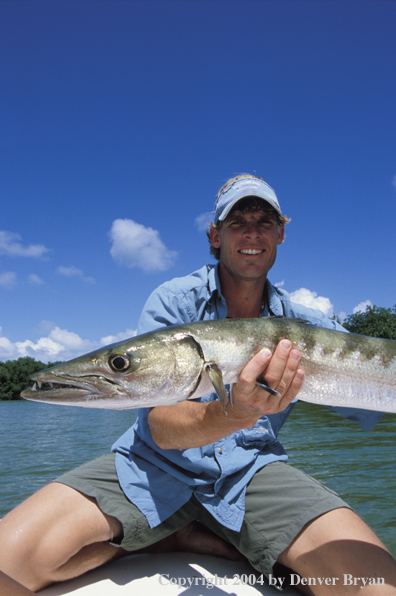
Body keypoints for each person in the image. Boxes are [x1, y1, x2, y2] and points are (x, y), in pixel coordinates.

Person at [1, 174, 395, 594]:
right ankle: (172, 532)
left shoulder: (309, 326)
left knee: (377, 586)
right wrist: (234, 412)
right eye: (237, 221)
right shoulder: (174, 301)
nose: (252, 232)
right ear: (215, 234)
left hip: (252, 472)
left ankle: (165, 534)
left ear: (281, 233)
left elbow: (367, 399)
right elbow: (162, 428)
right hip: (148, 468)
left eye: (264, 221)